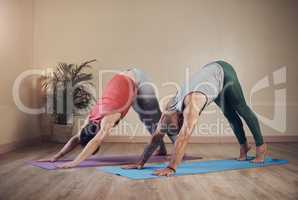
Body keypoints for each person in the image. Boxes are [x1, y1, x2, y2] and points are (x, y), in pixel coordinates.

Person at [124, 60, 267, 176]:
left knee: (240, 107)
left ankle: (261, 147)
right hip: (211, 77)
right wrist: (140, 162)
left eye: (174, 129)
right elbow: (156, 137)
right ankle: (244, 146)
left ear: (180, 120)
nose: (172, 129)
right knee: (229, 114)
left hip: (223, 71)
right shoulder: (169, 109)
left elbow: (184, 137)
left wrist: (171, 167)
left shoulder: (192, 106)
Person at [41, 68, 175, 168]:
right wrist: (56, 157)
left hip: (137, 78)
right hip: (125, 81)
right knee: (146, 119)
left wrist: (74, 162)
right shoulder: (91, 118)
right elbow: (76, 139)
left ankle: (178, 145)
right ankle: (162, 149)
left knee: (156, 118)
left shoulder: (107, 120)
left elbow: (95, 141)